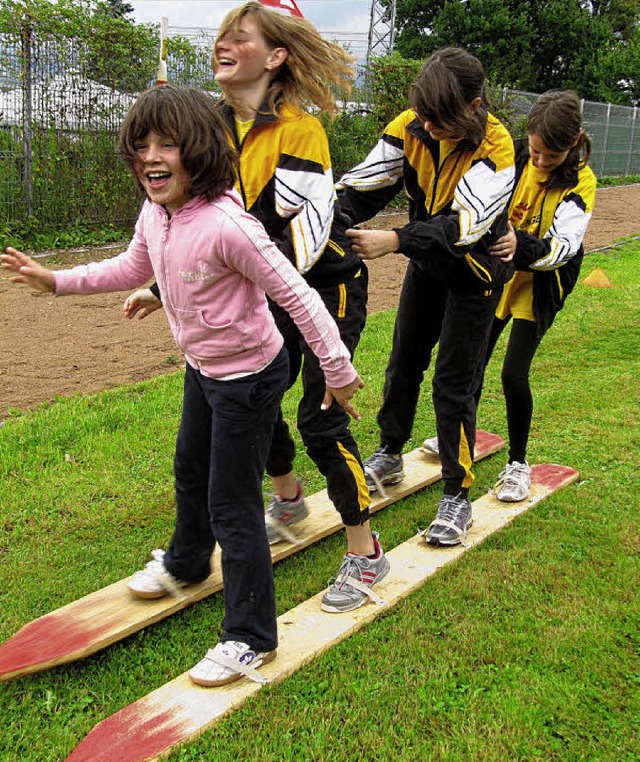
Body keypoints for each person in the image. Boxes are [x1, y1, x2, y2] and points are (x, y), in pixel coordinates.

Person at [1, 84, 364, 687]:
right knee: (190, 470)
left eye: (166, 143)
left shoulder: (230, 225)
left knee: (233, 505)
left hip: (249, 376)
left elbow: (297, 295)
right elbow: (132, 267)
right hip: (204, 367)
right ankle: (188, 564)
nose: (150, 155)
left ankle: (250, 636)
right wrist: (54, 281)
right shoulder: (157, 213)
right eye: (140, 144)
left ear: (198, 151)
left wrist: (338, 369)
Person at [124, 1, 389, 614]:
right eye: (221, 35)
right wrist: (166, 284)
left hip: (322, 287)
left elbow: (291, 240)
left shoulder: (302, 132)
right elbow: (198, 223)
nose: (222, 44)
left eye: (238, 37)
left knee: (321, 421)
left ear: (275, 57)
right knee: (252, 400)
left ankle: (365, 549)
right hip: (258, 286)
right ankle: (289, 499)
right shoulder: (211, 126)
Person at [337, 47, 516, 547]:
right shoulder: (412, 124)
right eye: (425, 116)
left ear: (475, 105)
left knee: (453, 382)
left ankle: (457, 493)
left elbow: (462, 227)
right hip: (426, 263)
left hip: (476, 271)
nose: (430, 127)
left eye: (442, 120)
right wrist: (324, 218)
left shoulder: (499, 150)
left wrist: (394, 239)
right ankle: (390, 452)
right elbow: (364, 186)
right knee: (403, 361)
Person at [483, 89, 596, 501]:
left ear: (573, 142)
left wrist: (519, 246)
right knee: (470, 362)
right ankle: (456, 440)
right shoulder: (511, 157)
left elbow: (562, 247)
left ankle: (517, 463)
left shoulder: (582, 182)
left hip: (540, 282)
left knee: (513, 372)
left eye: (553, 155)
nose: (543, 162)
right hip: (499, 273)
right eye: (536, 152)